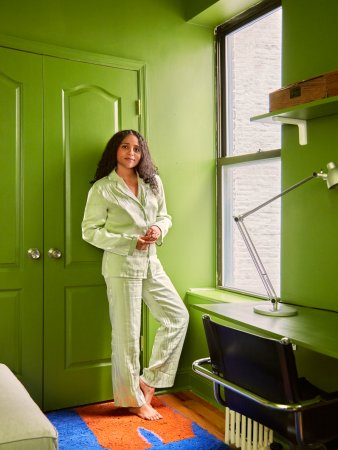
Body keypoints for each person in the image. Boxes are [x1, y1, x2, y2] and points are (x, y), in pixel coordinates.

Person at [82, 130, 189, 421]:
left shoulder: (152, 183)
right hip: (121, 265)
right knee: (127, 336)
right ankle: (131, 400)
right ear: (114, 151)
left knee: (177, 317)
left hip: (151, 262)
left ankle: (147, 382)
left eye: (137, 148)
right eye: (125, 147)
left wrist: (159, 229)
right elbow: (90, 231)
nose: (131, 152)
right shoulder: (103, 188)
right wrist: (130, 241)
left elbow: (165, 216)